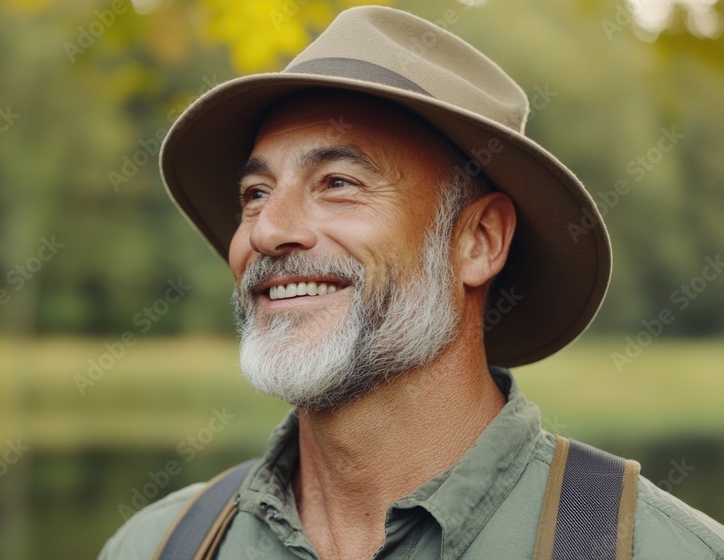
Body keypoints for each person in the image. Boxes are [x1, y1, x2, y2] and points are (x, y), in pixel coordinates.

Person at [100, 6, 724, 559]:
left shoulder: (650, 548)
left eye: (337, 183)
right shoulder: (161, 545)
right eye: (255, 194)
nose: (268, 231)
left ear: (478, 242)